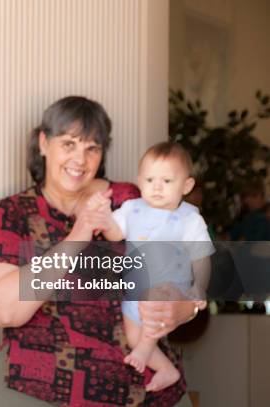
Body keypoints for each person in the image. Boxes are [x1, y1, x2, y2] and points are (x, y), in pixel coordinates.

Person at [0, 96, 203, 406]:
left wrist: (185, 309)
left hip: (143, 390)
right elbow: (3, 310)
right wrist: (78, 234)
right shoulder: (16, 212)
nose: (80, 160)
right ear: (43, 143)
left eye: (91, 148)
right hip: (42, 388)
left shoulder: (132, 200)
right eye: (69, 144)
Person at [89, 142, 213, 392]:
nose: (156, 187)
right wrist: (103, 219)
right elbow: (115, 234)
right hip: (135, 290)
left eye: (167, 181)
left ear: (186, 186)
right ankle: (166, 368)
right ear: (139, 181)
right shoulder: (132, 209)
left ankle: (146, 349)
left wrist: (199, 287)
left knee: (152, 317)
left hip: (170, 288)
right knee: (133, 334)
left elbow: (202, 257)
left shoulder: (189, 219)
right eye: (149, 179)